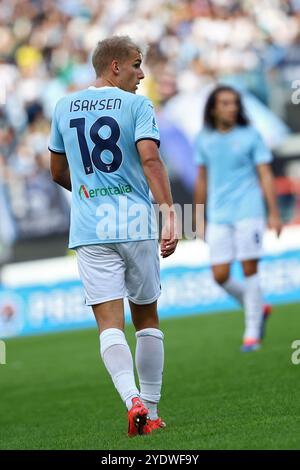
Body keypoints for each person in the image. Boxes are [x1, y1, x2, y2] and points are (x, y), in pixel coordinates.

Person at [49, 36, 178, 436]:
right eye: (137, 65)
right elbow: (151, 159)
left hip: (89, 228)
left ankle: (131, 400)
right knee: (146, 318)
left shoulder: (64, 105)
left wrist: (91, 192)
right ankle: (151, 411)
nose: (142, 74)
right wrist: (169, 213)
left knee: (109, 324)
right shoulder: (137, 105)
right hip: (135, 222)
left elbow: (56, 172)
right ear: (115, 66)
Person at [194, 85, 282, 352]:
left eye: (234, 103)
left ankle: (251, 333)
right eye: (225, 103)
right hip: (219, 215)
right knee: (219, 274)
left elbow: (265, 174)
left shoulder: (251, 135)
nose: (231, 108)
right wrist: (198, 217)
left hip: (249, 210)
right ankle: (257, 305)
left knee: (249, 268)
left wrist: (274, 212)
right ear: (213, 108)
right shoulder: (203, 139)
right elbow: (202, 179)